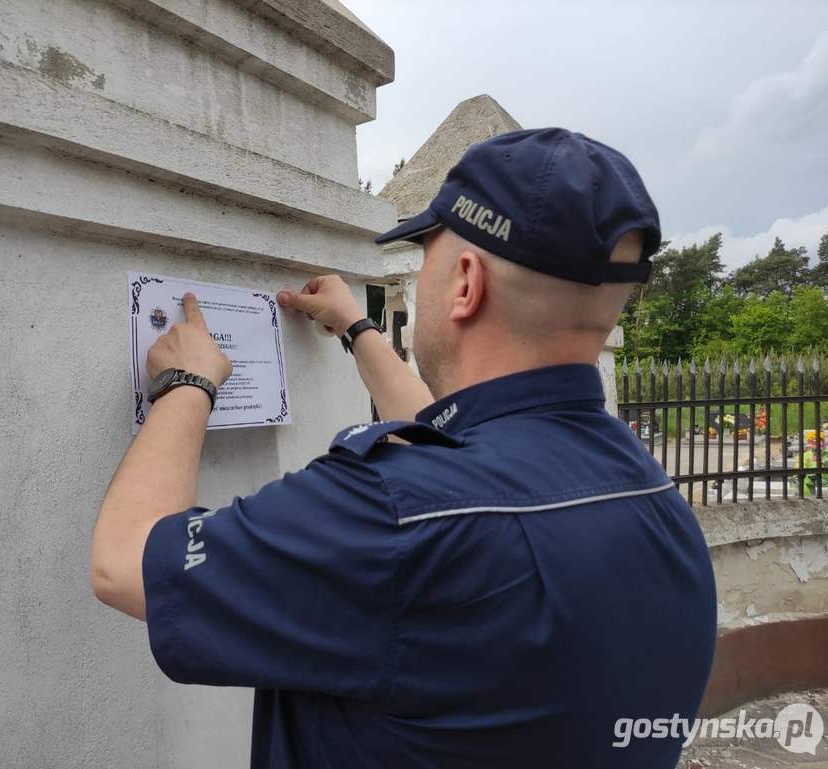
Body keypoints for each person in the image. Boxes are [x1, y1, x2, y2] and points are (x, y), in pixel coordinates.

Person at [90, 128, 717, 769]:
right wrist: (359, 330)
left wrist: (187, 385)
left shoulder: (388, 515)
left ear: (465, 283)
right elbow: (464, 462)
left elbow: (124, 562)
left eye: (426, 263)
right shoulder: (649, 490)